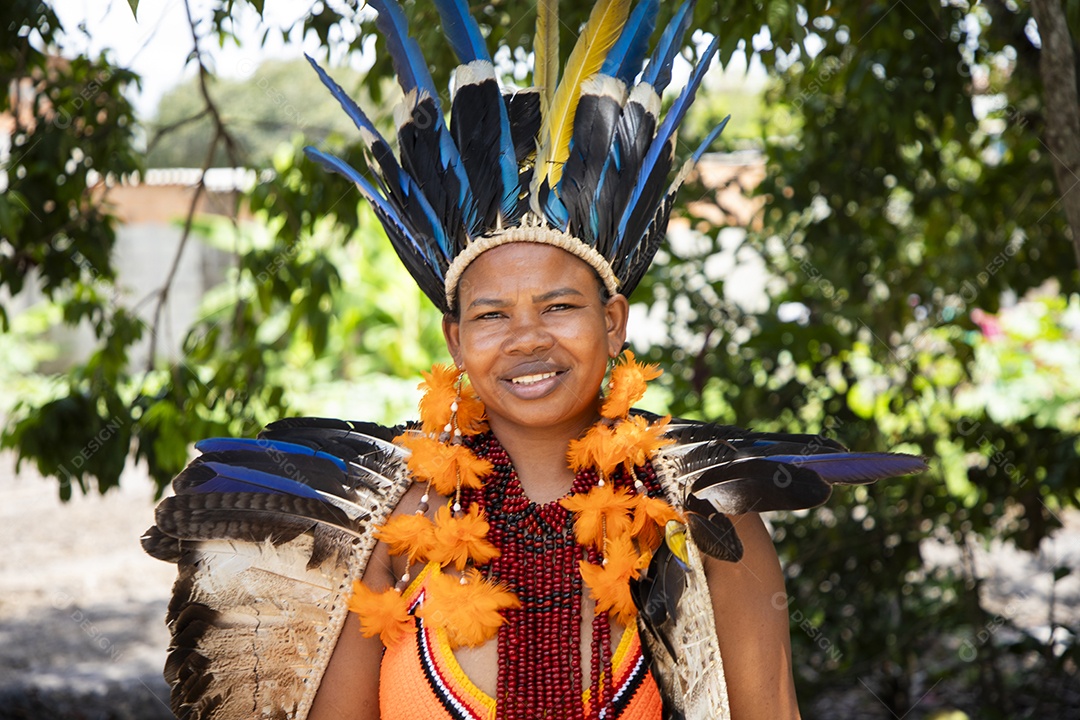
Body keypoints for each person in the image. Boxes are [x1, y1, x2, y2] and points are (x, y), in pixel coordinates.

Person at [143, 1, 926, 718]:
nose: (527, 339)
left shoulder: (704, 519)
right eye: (492, 315)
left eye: (559, 307)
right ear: (456, 341)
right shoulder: (386, 529)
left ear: (612, 322)